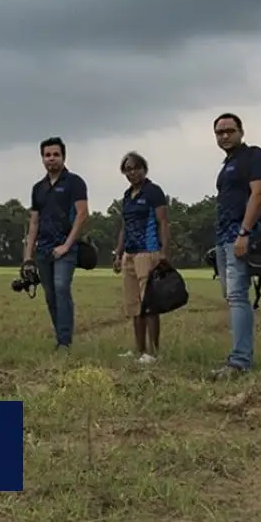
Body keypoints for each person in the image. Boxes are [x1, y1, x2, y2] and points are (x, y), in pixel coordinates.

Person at [209, 113, 261, 380]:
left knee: (237, 297)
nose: (224, 136)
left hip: (240, 235)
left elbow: (258, 194)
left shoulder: (253, 156)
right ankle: (238, 355)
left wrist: (244, 232)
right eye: (219, 132)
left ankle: (240, 361)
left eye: (229, 131)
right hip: (224, 238)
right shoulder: (227, 164)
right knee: (232, 297)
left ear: (241, 131)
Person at [23, 137, 89, 351]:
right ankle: (60, 335)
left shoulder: (74, 182)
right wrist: (28, 256)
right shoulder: (38, 188)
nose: (51, 159)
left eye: (55, 154)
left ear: (63, 156)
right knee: (50, 295)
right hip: (43, 249)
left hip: (65, 249)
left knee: (61, 288)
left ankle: (64, 342)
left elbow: (82, 215)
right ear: (42, 158)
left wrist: (67, 245)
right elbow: (34, 222)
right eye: (47, 155)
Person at [111, 151, 170, 364]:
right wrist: (118, 253)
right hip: (130, 253)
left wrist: (163, 252)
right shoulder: (127, 196)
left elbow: (163, 222)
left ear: (144, 169)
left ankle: (153, 352)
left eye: (136, 168)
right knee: (134, 304)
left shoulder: (154, 192)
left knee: (149, 303)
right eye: (127, 169)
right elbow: (124, 227)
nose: (132, 172)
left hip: (148, 251)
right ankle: (138, 350)